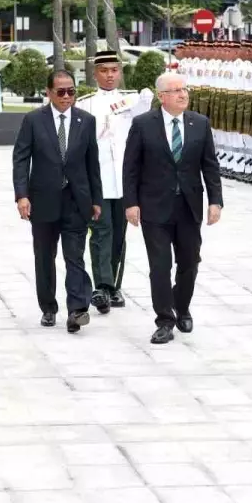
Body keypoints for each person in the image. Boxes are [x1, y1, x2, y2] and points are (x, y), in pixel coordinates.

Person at [122, 71, 224, 345]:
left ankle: (182, 306)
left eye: (184, 89)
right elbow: (130, 167)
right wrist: (130, 203)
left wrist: (215, 201)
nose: (183, 95)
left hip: (189, 206)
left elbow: (210, 166)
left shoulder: (199, 124)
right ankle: (164, 320)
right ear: (161, 97)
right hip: (154, 207)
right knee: (160, 266)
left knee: (189, 262)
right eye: (176, 91)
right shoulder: (144, 124)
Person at [13, 69, 104, 333]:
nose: (67, 96)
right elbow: (21, 159)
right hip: (43, 200)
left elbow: (92, 163)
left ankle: (77, 310)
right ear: (49, 93)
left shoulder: (86, 121)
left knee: (75, 256)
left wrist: (96, 199)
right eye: (61, 91)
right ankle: (48, 308)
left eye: (71, 91)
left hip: (76, 200)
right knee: (44, 257)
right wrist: (22, 195)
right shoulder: (33, 120)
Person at [77, 51, 152, 313]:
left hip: (124, 180)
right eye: (104, 71)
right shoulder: (85, 104)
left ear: (120, 72)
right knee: (101, 232)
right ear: (95, 73)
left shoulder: (133, 100)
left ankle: (114, 286)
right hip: (97, 180)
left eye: (113, 70)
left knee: (119, 234)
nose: (109, 75)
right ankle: (102, 287)